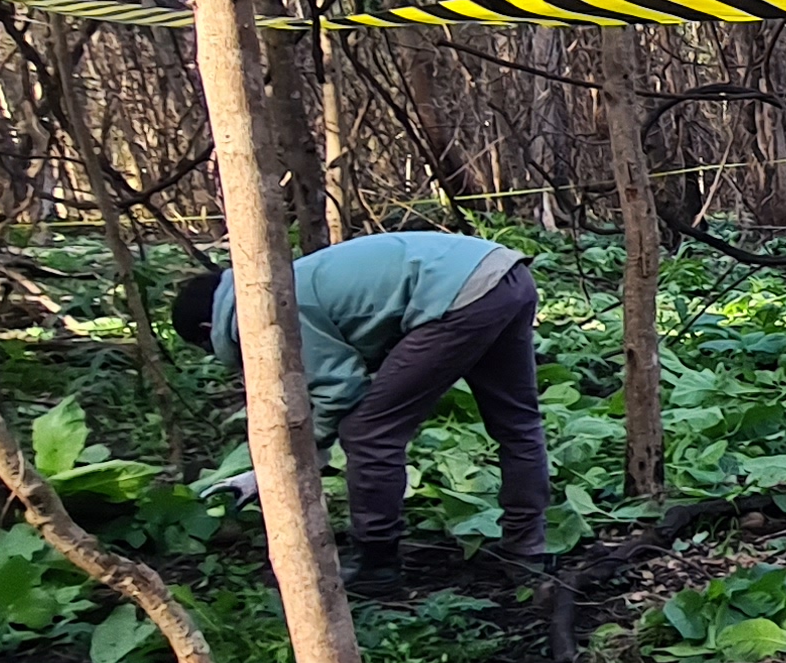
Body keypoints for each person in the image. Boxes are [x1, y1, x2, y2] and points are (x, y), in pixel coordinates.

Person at [167, 233, 546, 594]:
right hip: (504, 272)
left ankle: (376, 561)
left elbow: (340, 386)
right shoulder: (277, 283)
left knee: (369, 432)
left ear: (208, 330)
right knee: (518, 425)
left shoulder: (271, 309)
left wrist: (304, 448)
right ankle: (525, 547)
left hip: (458, 297)